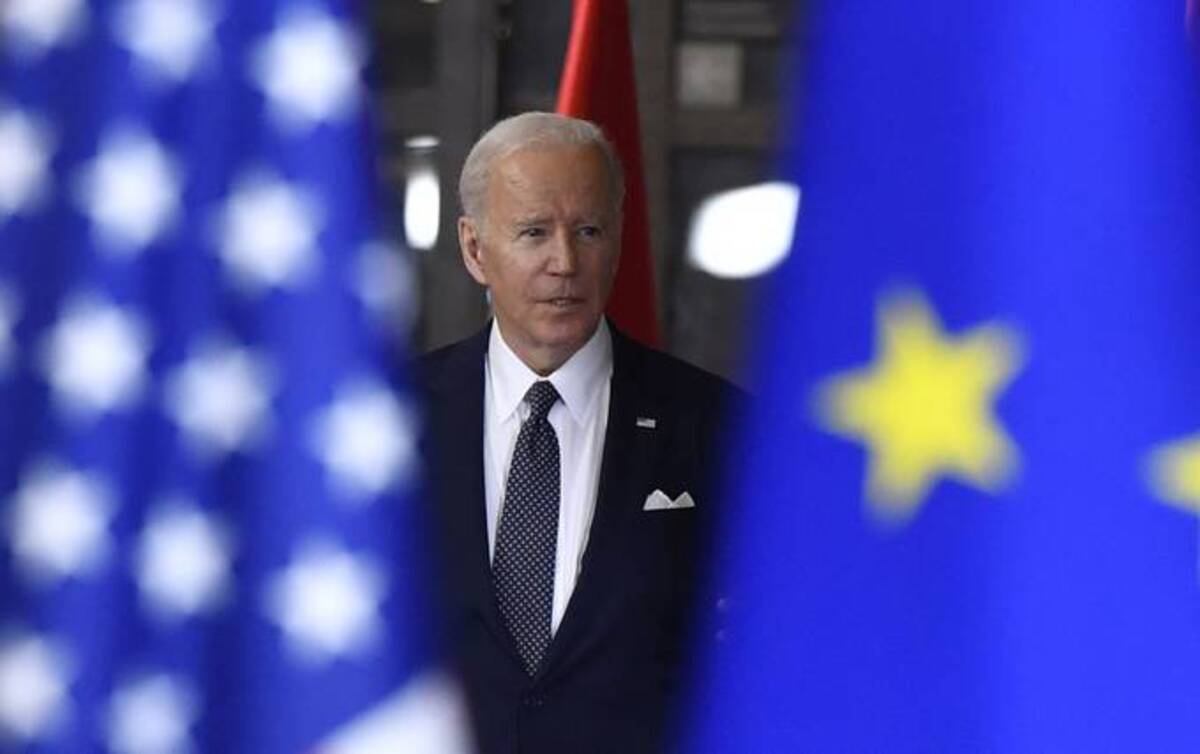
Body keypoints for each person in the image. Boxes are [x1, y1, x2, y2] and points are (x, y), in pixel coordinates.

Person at [421, 112, 737, 754]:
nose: (564, 262)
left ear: (618, 241)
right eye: (534, 233)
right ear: (475, 248)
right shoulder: (389, 424)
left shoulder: (721, 427)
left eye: (588, 230)